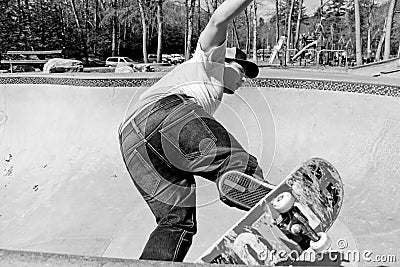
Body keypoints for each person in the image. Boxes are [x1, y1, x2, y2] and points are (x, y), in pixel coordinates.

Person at [118, 0, 272, 262]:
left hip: (130, 142)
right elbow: (218, 20)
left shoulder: (203, 87)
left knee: (175, 223)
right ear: (225, 60)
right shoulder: (209, 61)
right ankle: (263, 195)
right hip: (168, 114)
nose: (243, 78)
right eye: (241, 69)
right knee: (238, 164)